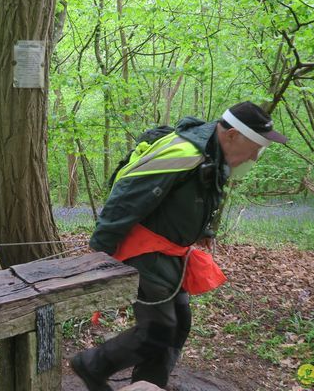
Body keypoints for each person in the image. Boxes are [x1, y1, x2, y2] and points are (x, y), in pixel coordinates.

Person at [71, 101, 287, 390]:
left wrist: (203, 229)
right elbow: (129, 193)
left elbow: (193, 198)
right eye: (256, 147)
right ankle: (92, 365)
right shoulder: (185, 152)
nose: (255, 157)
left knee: (178, 323)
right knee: (158, 329)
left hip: (170, 251)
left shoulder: (212, 152)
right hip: (143, 247)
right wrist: (100, 248)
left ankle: (149, 385)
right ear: (233, 135)